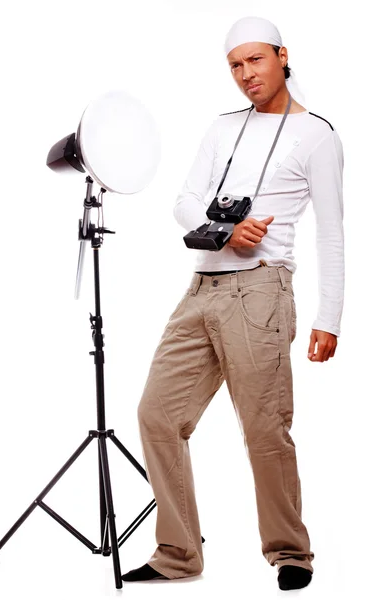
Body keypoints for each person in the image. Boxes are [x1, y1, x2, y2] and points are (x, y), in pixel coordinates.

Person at [121, 15, 344, 591]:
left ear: (281, 55)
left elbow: (331, 232)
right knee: (157, 416)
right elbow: (186, 200)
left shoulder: (316, 135)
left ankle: (291, 552)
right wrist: (225, 232)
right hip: (201, 289)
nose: (246, 74)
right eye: (235, 66)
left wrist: (328, 316)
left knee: (265, 429)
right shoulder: (223, 127)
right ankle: (178, 554)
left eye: (256, 60)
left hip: (262, 292)